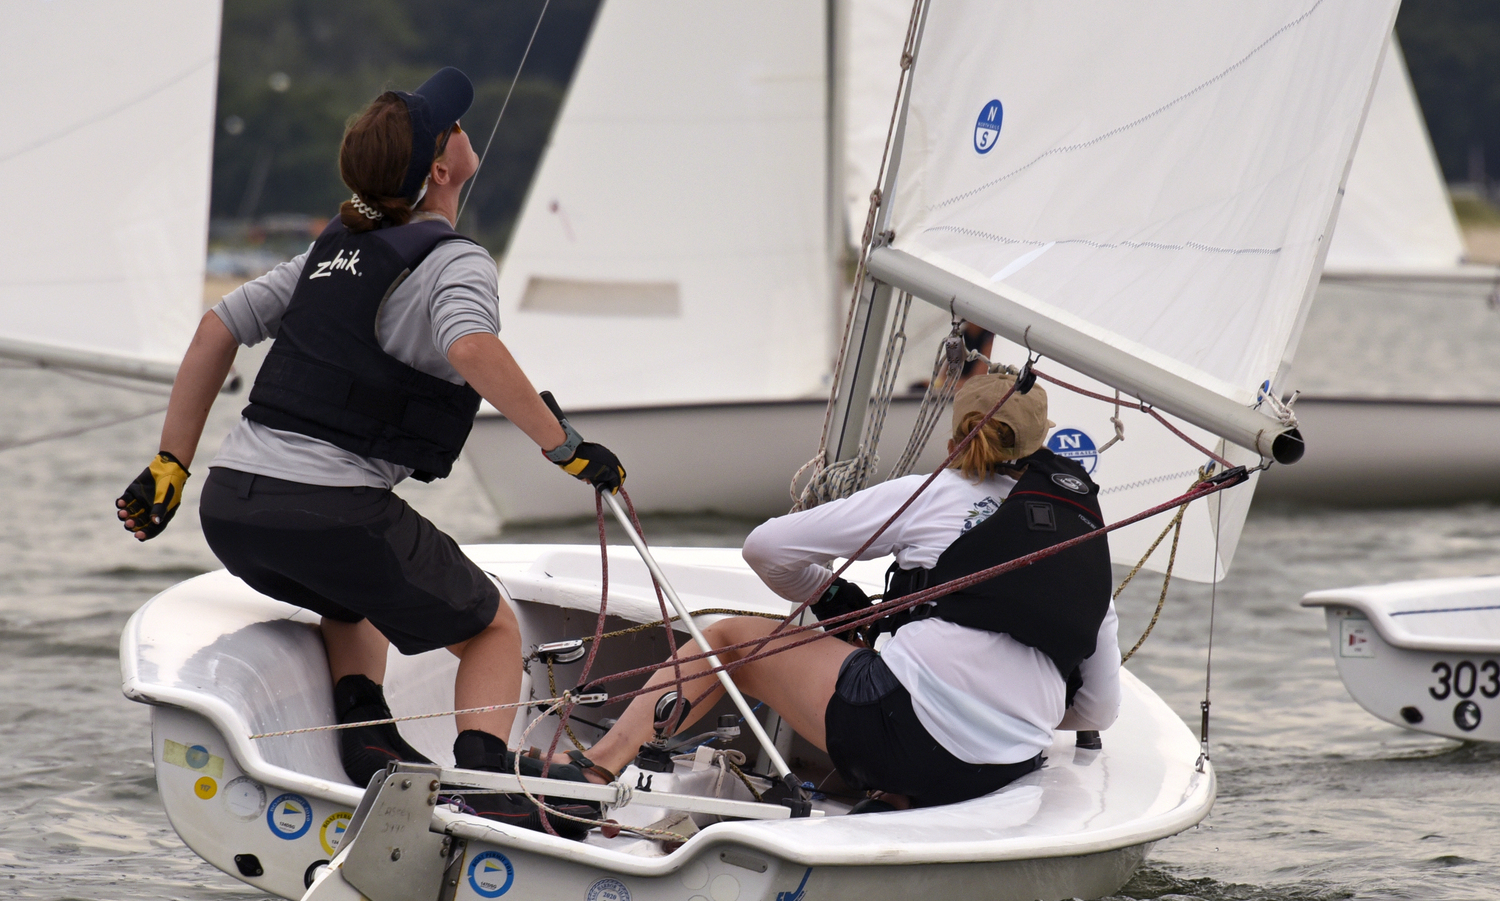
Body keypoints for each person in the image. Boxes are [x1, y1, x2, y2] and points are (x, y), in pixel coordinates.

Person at [116, 68, 620, 834]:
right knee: (490, 626)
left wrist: (170, 465)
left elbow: (218, 325)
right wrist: (567, 449)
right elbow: (473, 347)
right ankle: (487, 770)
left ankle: (367, 737)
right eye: (451, 126)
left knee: (350, 595)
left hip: (232, 509)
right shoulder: (454, 261)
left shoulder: (333, 248)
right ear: (442, 171)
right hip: (329, 511)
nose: (461, 127)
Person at [563, 372, 1121, 810]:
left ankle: (594, 772)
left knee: (730, 641)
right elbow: (1098, 707)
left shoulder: (931, 493)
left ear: (956, 434)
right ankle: (896, 796)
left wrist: (830, 599)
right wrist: (1000, 712)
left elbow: (767, 548)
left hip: (901, 735)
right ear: (1042, 442)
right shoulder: (1082, 537)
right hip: (1009, 765)